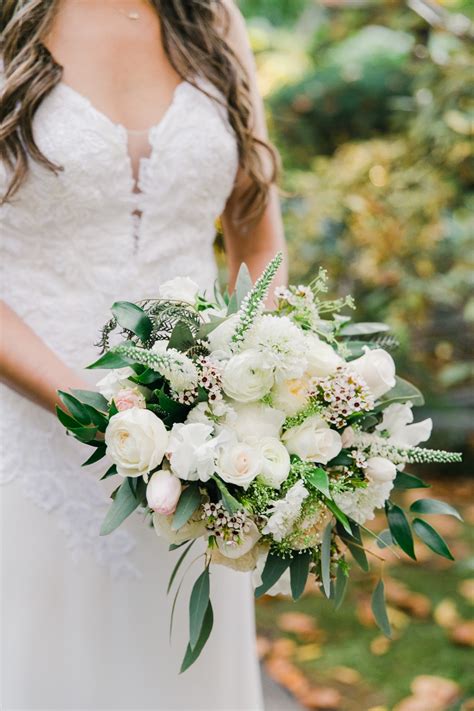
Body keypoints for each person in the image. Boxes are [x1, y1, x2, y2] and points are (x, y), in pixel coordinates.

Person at [0, 1, 287, 708]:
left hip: (201, 453)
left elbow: (259, 239)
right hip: (29, 439)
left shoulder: (213, 18)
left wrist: (246, 384)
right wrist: (86, 407)